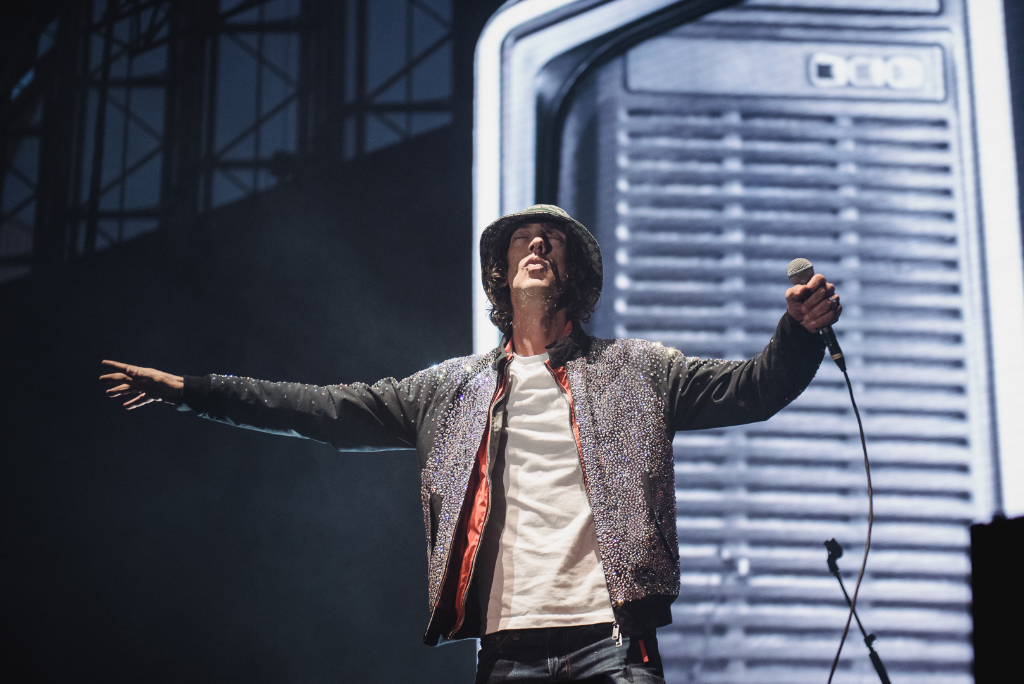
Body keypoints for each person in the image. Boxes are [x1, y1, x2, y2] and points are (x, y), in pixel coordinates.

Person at [101, 204, 841, 683]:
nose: (538, 245)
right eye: (523, 240)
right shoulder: (450, 391)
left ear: (576, 275)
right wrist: (193, 389)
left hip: (613, 642)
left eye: (553, 242)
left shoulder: (638, 370)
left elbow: (754, 388)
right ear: (501, 273)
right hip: (506, 649)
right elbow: (322, 410)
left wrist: (800, 334)